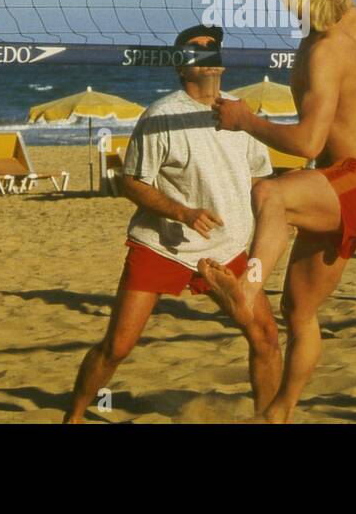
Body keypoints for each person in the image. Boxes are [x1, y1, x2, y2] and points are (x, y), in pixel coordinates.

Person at [205, 0, 356, 423]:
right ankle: (281, 413)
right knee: (300, 313)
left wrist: (244, 120)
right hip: (343, 186)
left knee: (270, 192)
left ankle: (250, 282)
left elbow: (308, 142)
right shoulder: (349, 18)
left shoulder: (326, 51)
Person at [65, 24, 280, 423]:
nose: (207, 53)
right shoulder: (162, 115)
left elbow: (259, 183)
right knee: (119, 346)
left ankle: (269, 420)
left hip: (226, 245)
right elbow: (130, 181)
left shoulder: (241, 113)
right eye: (196, 49)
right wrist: (183, 212)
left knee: (265, 336)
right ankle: (74, 416)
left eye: (212, 48)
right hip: (162, 243)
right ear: (182, 67)